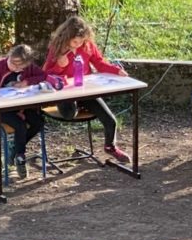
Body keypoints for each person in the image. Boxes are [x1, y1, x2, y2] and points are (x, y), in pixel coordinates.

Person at [43, 16, 131, 163]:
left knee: (110, 121)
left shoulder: (88, 46)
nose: (78, 45)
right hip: (66, 92)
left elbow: (99, 62)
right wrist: (59, 65)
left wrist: (116, 70)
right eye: (75, 41)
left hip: (85, 90)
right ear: (66, 36)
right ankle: (76, 105)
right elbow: (46, 74)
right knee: (69, 114)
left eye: (81, 41)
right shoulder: (56, 48)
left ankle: (110, 146)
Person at [0, 43, 56, 178]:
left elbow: (43, 76)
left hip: (22, 105)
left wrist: (27, 82)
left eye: (21, 67)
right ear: (9, 57)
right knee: (20, 126)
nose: (16, 69)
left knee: (38, 122)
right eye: (13, 65)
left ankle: (14, 149)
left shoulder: (29, 67)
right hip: (0, 109)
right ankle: (20, 157)